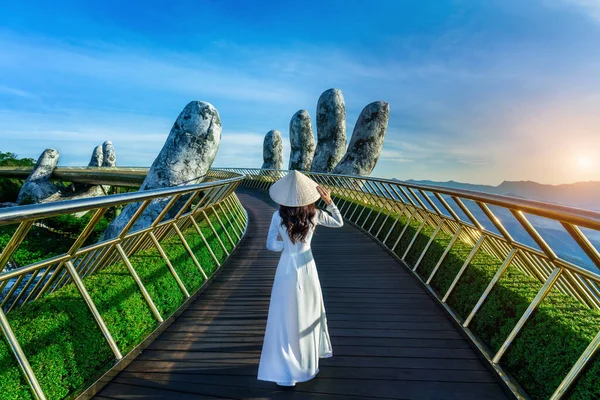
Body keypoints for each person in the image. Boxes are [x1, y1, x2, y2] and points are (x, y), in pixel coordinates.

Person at [258, 170, 344, 386]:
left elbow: (270, 245)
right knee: (307, 312)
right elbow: (339, 222)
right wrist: (329, 201)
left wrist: (286, 247)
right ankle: (306, 363)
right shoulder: (314, 214)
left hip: (286, 269)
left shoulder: (278, 216)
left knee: (284, 315)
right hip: (308, 269)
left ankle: (284, 369)